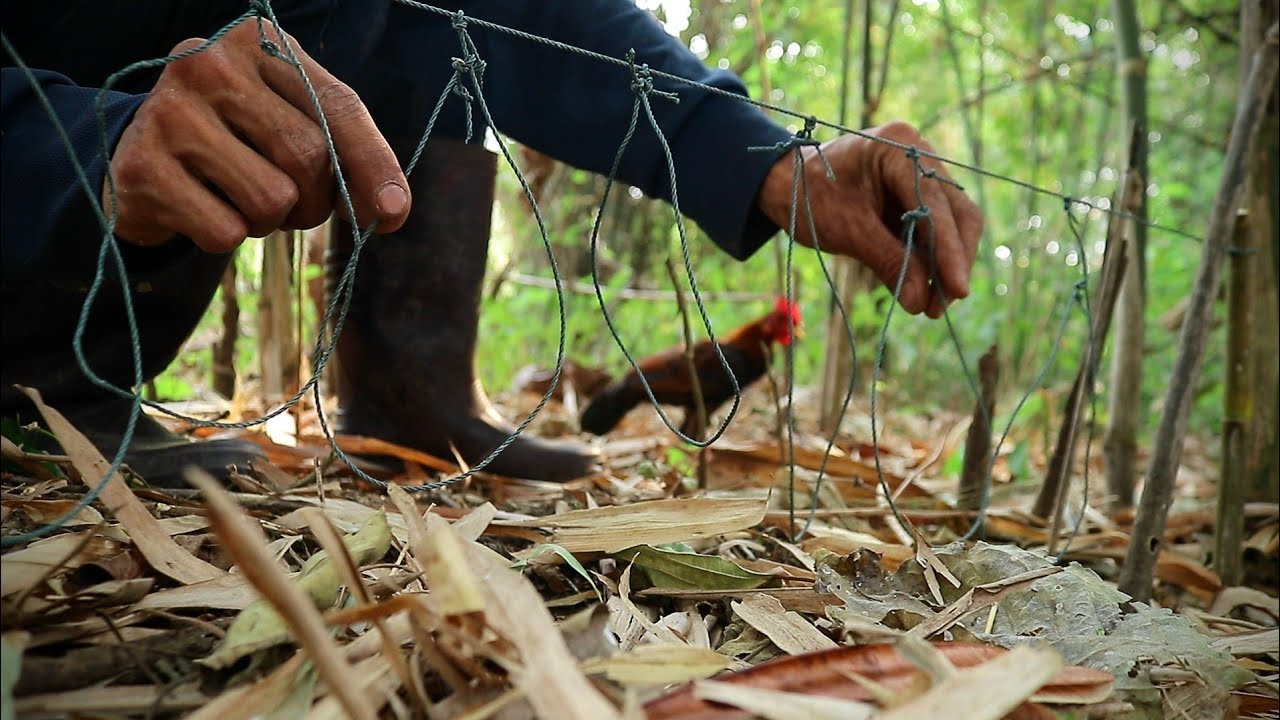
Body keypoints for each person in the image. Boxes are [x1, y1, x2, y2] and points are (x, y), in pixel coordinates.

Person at [1, 1, 982, 485]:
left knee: (420, 23)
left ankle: (410, 397)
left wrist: (763, 161)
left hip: (89, 369)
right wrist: (91, 144)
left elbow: (520, 15)